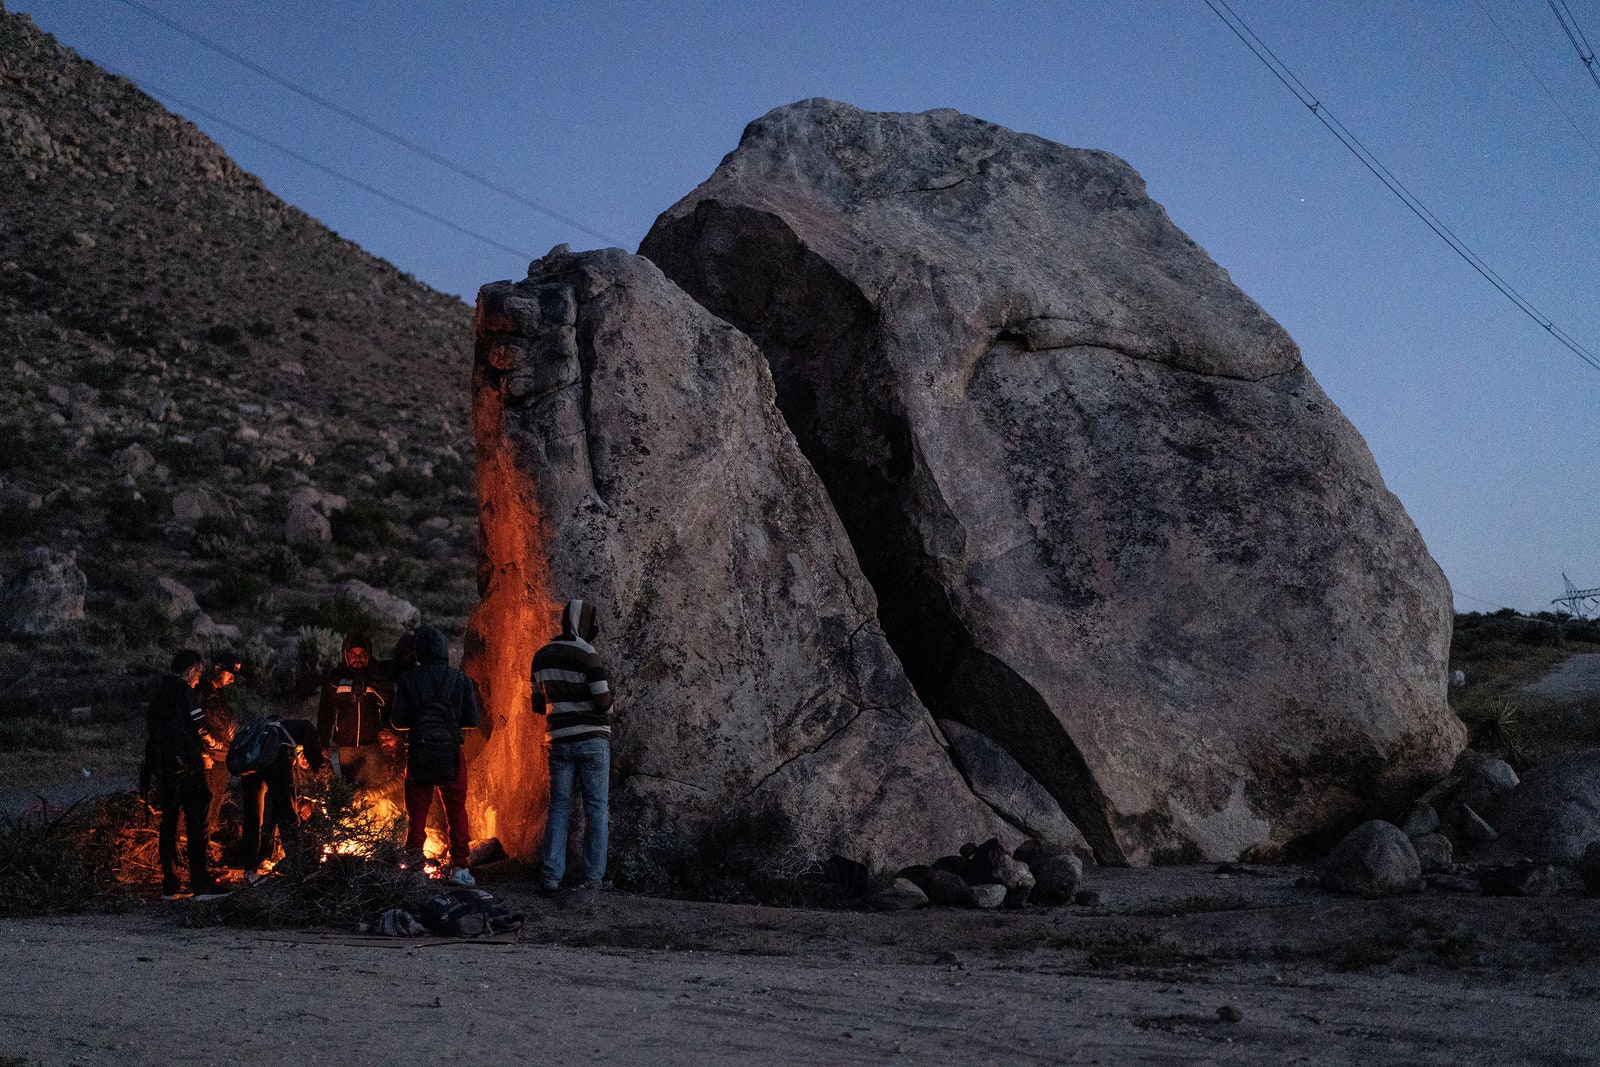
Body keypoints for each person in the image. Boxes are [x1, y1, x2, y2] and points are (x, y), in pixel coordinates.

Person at [531, 598, 614, 896]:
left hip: (558, 742)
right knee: (596, 809)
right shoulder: (589, 655)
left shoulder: (540, 656)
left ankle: (551, 876)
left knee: (559, 807)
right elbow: (603, 701)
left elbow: (538, 706)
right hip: (592, 741)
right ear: (585, 624)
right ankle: (593, 879)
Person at [392, 625, 479, 885]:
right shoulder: (461, 680)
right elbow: (472, 721)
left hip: (419, 752)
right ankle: (461, 867)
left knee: (417, 813)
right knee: (456, 810)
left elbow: (397, 722)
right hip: (452, 753)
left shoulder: (408, 679)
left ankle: (414, 865)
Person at [144, 649, 229, 900]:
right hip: (188, 766)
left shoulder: (160, 693)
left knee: (169, 824)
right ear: (191, 670)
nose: (197, 679)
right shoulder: (184, 691)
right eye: (198, 674)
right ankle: (200, 884)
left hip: (165, 768)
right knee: (197, 824)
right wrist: (214, 745)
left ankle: (170, 885)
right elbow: (199, 725)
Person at [238, 716, 325, 883]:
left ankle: (250, 869)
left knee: (253, 816)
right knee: (288, 813)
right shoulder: (304, 730)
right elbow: (315, 759)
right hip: (274, 760)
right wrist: (318, 773)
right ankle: (296, 867)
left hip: (251, 764)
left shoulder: (270, 729)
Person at [317, 630, 394, 792]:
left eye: (362, 654)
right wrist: (323, 742)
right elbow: (326, 712)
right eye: (353, 654)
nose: (357, 658)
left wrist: (388, 732)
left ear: (369, 655)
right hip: (346, 746)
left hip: (373, 745)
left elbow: (389, 705)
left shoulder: (377, 677)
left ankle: (376, 817)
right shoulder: (335, 679)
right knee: (349, 791)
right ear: (345, 654)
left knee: (374, 790)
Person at [198, 649, 241, 842]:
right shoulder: (200, 692)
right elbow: (194, 726)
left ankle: (205, 845)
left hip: (222, 757)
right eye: (230, 674)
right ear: (217, 669)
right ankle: (192, 847)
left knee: (215, 803)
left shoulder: (219, 694)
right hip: (207, 758)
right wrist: (203, 753)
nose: (232, 680)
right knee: (203, 804)